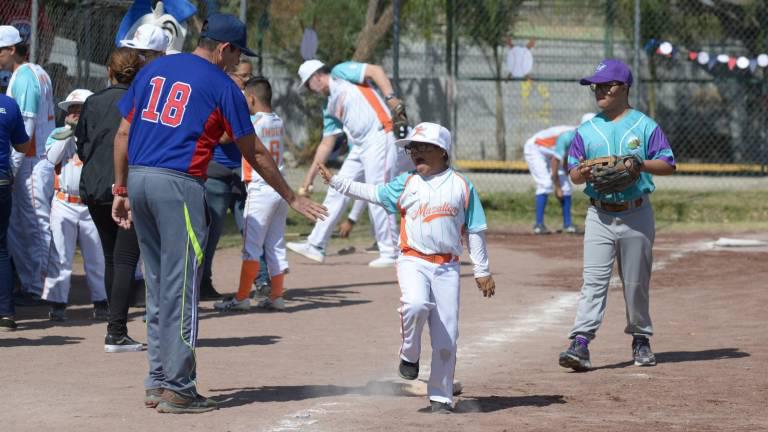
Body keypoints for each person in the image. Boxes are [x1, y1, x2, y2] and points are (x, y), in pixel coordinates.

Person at [112, 13, 326, 414]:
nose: (237, 64)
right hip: (179, 185)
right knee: (185, 288)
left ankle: (158, 380)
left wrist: (121, 188)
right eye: (236, 54)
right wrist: (291, 196)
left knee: (159, 285)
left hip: (139, 179)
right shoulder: (219, 84)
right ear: (223, 48)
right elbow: (254, 151)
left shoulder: (154, 68)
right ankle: (179, 388)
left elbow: (124, 133)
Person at [318, 122, 495, 413]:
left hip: (447, 267)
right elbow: (374, 193)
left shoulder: (462, 186)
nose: (415, 153)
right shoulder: (406, 183)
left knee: (446, 338)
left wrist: (482, 270)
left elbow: (475, 229)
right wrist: (338, 182)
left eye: (423, 147)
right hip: (413, 259)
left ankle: (440, 397)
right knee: (414, 304)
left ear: (442, 151)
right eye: (412, 148)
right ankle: (410, 354)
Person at [558, 59, 675, 371]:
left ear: (624, 87)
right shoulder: (586, 130)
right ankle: (580, 343)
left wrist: (639, 164)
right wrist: (581, 171)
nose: (599, 90)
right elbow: (573, 174)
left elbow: (668, 163)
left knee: (635, 283)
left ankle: (640, 338)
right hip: (599, 215)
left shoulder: (645, 126)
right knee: (593, 282)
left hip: (636, 213)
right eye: (595, 86)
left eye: (606, 85)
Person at [287, 59, 412, 268]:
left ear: (316, 76)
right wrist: (309, 179)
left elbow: (375, 70)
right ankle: (316, 244)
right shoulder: (328, 106)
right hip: (360, 147)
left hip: (380, 136)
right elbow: (327, 144)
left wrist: (390, 97)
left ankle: (391, 251)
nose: (309, 90)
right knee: (337, 188)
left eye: (307, 84)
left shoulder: (340, 73)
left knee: (376, 193)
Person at [76, 48, 145, 353]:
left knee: (111, 256)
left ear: (109, 71)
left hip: (93, 187)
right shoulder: (139, 101)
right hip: (125, 187)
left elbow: (82, 145)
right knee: (126, 259)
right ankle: (116, 331)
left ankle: (113, 322)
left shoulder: (92, 101)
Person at [215, 77, 289, 312]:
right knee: (275, 244)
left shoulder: (251, 122)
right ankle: (277, 296)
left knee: (252, 247)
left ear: (252, 98)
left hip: (259, 188)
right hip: (279, 189)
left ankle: (242, 297)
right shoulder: (278, 120)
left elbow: (223, 138)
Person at [41, 89, 109, 322]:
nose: (75, 113)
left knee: (96, 256)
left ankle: (101, 301)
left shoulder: (98, 134)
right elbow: (52, 158)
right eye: (72, 109)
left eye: (80, 108)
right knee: (60, 255)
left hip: (90, 203)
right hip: (63, 202)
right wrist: (70, 131)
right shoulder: (58, 134)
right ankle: (57, 303)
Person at [0, 25, 56, 305]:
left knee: (34, 225)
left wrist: (12, 165)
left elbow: (27, 125)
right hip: (36, 159)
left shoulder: (24, 76)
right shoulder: (36, 71)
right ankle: (34, 283)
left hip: (32, 161)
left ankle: (41, 287)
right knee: (22, 226)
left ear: (11, 49)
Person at [199, 58, 253, 300]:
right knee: (212, 231)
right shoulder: (219, 95)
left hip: (243, 173)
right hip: (218, 171)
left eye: (251, 76)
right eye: (243, 76)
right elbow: (220, 138)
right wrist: (240, 122)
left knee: (252, 229)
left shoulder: (249, 99)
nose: (247, 81)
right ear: (230, 75)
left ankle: (260, 281)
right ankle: (203, 282)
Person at [523, 113, 595, 234]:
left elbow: (567, 158)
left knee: (566, 187)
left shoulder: (584, 138)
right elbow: (555, 162)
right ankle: (538, 225)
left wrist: (563, 182)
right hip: (536, 148)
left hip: (551, 153)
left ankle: (567, 224)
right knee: (545, 184)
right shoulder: (567, 136)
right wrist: (557, 187)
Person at [0, 93, 30, 331]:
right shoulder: (9, 105)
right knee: (0, 248)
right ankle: (6, 314)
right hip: (1, 182)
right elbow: (22, 145)